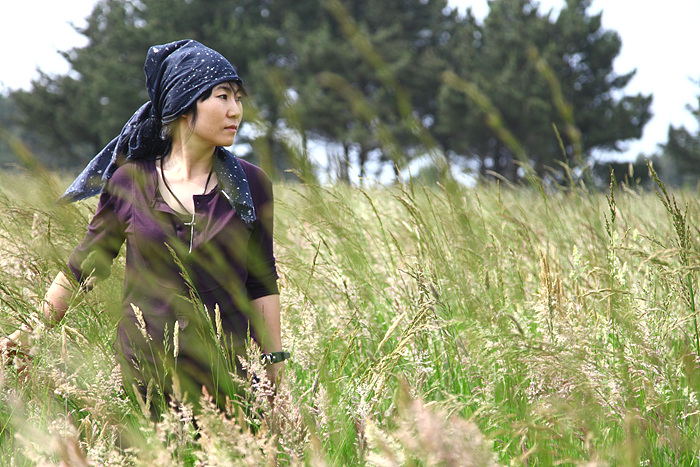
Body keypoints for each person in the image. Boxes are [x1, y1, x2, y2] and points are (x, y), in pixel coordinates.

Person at [1, 39, 288, 414]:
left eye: (238, 98)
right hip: (147, 379)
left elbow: (262, 281)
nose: (236, 110)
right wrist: (30, 333)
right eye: (222, 97)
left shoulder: (251, 185)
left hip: (229, 381)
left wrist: (274, 366)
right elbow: (84, 265)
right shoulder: (130, 180)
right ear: (184, 105)